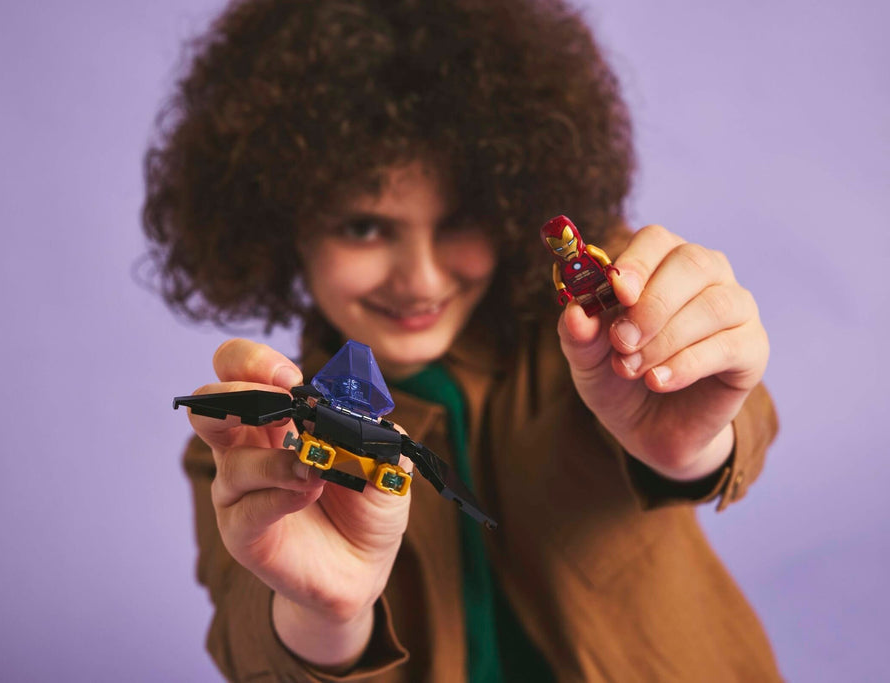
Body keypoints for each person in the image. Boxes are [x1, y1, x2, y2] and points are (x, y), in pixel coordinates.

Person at [142, 0, 781, 680]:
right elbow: (253, 645)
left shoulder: (588, 319)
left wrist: (691, 440)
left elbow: (738, 410)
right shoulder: (253, 443)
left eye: (460, 220)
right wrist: (327, 614)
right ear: (277, 220)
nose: (420, 279)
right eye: (364, 226)